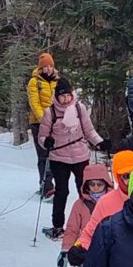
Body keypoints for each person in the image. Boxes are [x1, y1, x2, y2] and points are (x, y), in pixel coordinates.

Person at [34, 81, 101, 236]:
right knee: (61, 192)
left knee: (85, 191)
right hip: (59, 158)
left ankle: (89, 224)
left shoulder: (79, 108)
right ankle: (57, 227)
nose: (65, 99)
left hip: (81, 156)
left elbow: (89, 131)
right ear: (57, 97)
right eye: (62, 96)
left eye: (68, 95)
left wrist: (100, 143)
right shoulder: (50, 112)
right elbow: (42, 137)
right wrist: (46, 142)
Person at [59, 157, 118, 267]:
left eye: (99, 184)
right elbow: (72, 229)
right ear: (86, 185)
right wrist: (66, 250)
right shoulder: (80, 205)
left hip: (112, 251)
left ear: (106, 183)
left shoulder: (115, 201)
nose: (95, 188)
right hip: (86, 250)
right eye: (92, 184)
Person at [25, 52, 59, 195]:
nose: (48, 69)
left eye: (51, 66)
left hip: (56, 123)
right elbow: (34, 103)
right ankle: (46, 186)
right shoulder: (34, 82)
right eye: (45, 67)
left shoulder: (57, 81)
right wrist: (45, 120)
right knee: (43, 155)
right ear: (41, 68)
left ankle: (54, 183)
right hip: (39, 123)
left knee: (55, 155)